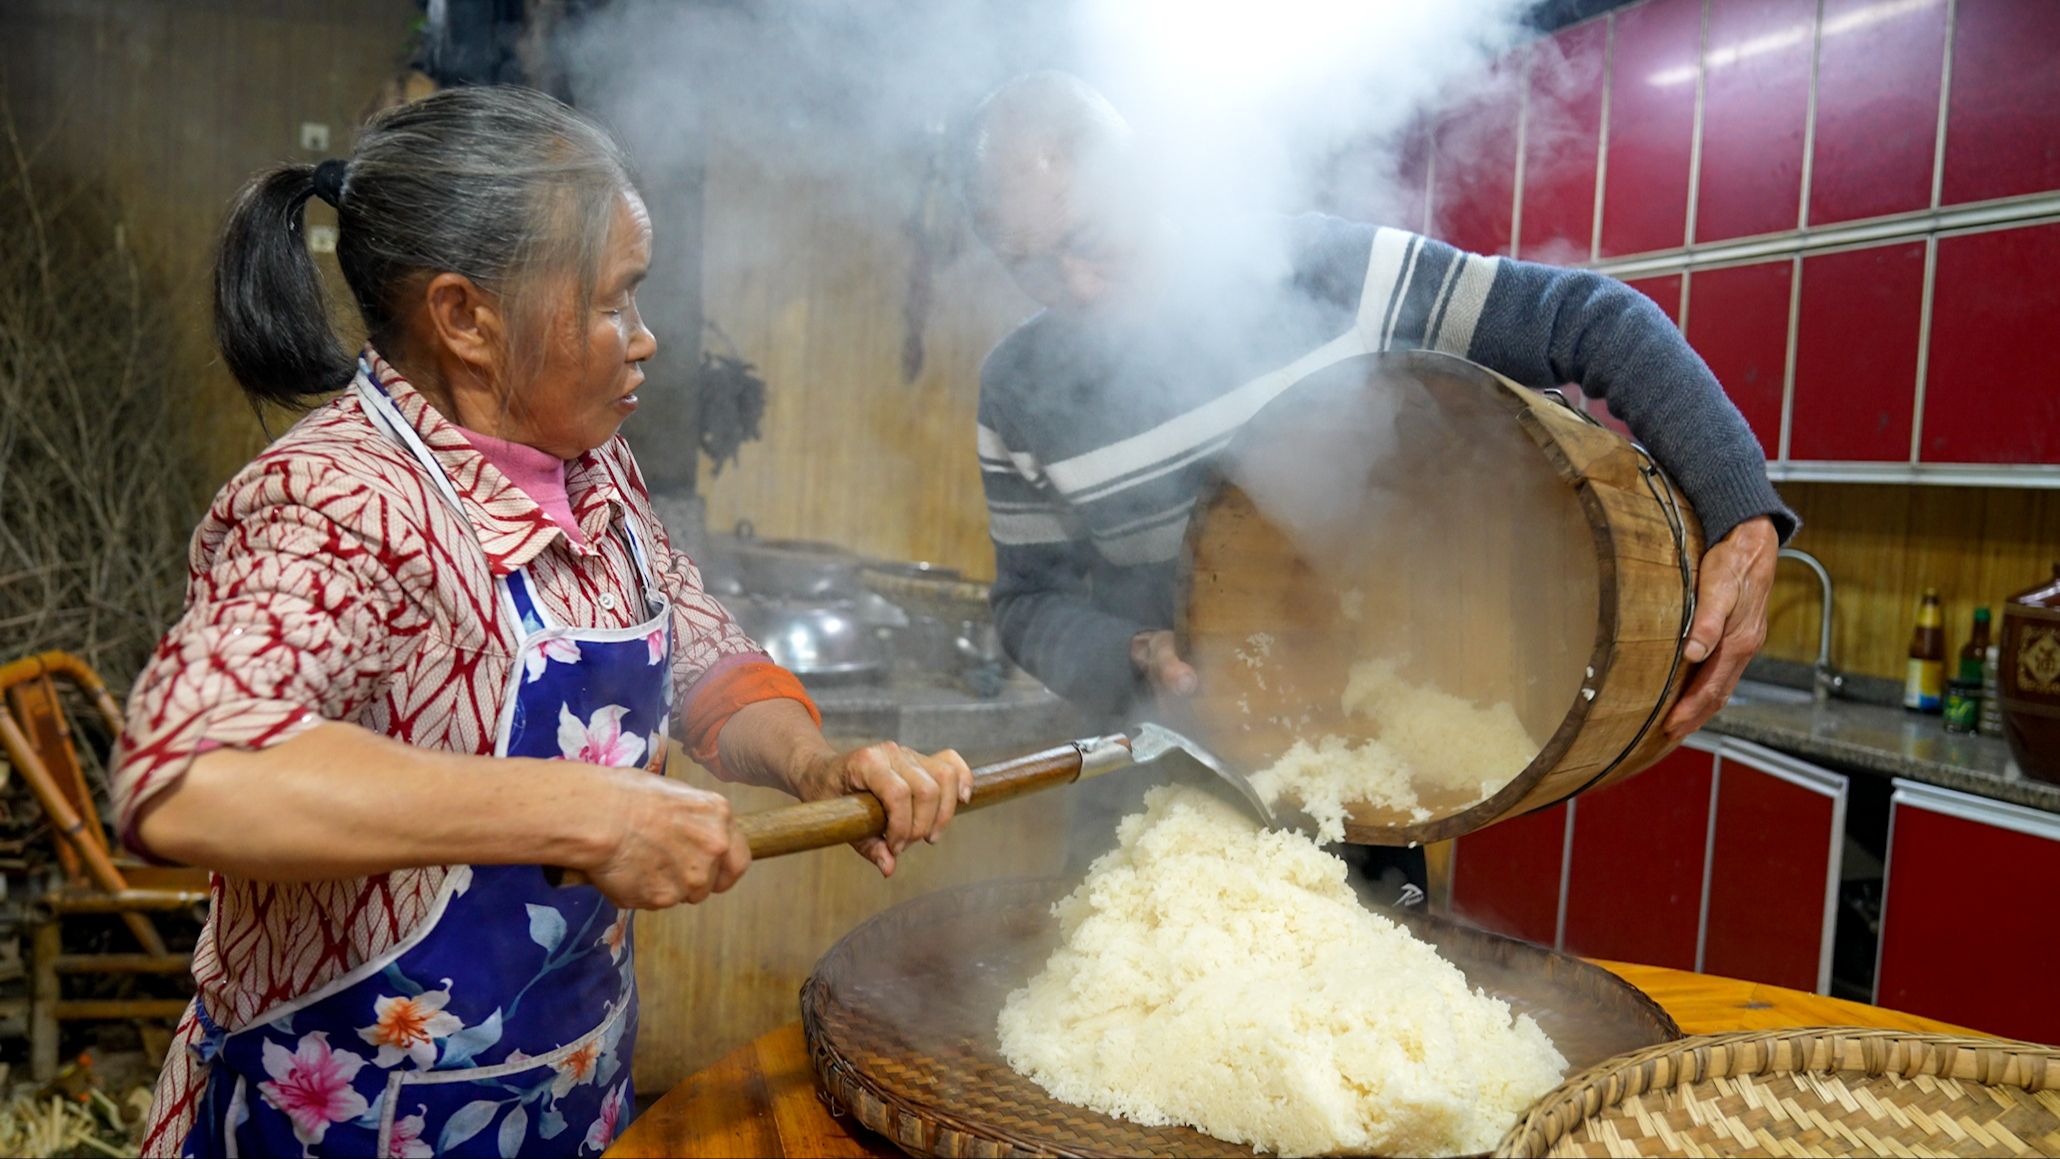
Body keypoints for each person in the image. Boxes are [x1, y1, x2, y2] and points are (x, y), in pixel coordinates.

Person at [115, 86, 972, 1158]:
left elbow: (692, 644)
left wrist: (813, 760)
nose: (646, 338)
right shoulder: (341, 499)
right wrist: (581, 811)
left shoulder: (587, 461)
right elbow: (190, 769)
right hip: (351, 1116)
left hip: (561, 1092)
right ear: (466, 317)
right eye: (614, 300)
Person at [963, 73, 1797, 896]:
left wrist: (1742, 511)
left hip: (1359, 788)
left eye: (1092, 239)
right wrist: (1133, 654)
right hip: (1156, 793)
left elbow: (1593, 320)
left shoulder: (1318, 272)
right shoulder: (1017, 389)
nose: (1074, 285)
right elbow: (1026, 602)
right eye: (1027, 264)